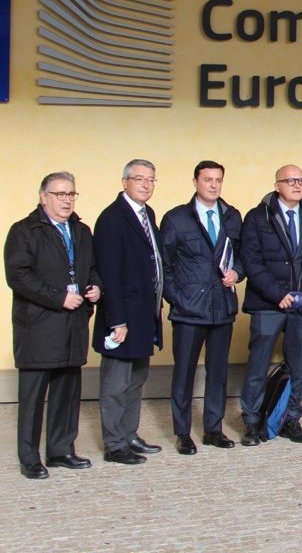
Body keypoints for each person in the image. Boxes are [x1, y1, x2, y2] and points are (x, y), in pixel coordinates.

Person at [5, 172, 102, 479]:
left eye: (71, 194)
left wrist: (96, 288)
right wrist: (58, 298)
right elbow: (18, 275)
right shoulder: (24, 231)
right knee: (33, 399)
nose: (66, 200)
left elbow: (92, 269)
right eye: (60, 194)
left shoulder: (82, 231)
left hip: (73, 326)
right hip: (39, 327)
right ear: (43, 197)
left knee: (67, 393)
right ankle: (30, 458)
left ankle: (61, 450)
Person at [238, 164, 302, 445]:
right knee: (258, 364)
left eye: (301, 180)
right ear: (277, 185)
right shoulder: (258, 217)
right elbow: (251, 261)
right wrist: (277, 292)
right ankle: (251, 421)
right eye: (290, 180)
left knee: (297, 367)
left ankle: (290, 418)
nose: (297, 185)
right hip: (268, 304)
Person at [160, 160, 244, 454]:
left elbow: (242, 256)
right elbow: (163, 266)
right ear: (195, 182)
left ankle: (213, 429)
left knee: (218, 373)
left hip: (222, 307)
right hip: (189, 311)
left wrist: (237, 272)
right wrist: (177, 298)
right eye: (207, 179)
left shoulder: (232, 216)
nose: (213, 185)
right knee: (184, 373)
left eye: (218, 180)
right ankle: (182, 432)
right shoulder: (176, 218)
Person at [93, 158, 165, 464]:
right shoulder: (112, 218)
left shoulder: (147, 213)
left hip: (144, 315)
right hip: (122, 317)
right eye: (139, 179)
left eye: (151, 179)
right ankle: (114, 444)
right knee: (116, 384)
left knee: (136, 379)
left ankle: (129, 433)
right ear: (125, 182)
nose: (146, 185)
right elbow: (109, 275)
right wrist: (117, 321)